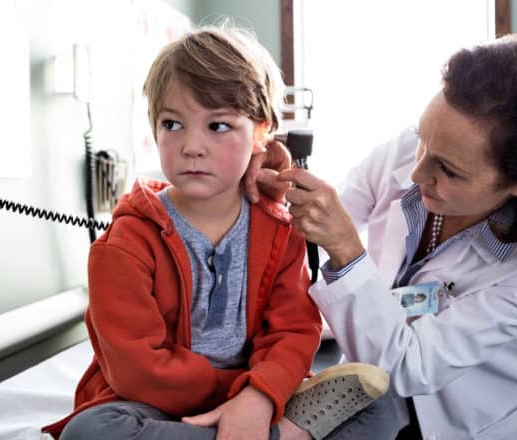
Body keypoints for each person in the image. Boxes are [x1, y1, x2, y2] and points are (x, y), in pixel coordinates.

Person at [251, 33, 517, 439]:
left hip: (474, 421)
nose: (416, 172)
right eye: (424, 140)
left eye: (449, 170)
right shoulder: (407, 153)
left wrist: (345, 249)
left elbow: (410, 366)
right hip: (380, 409)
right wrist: (280, 189)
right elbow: (305, 225)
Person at [42, 24, 390, 440]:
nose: (192, 146)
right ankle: (281, 436)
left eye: (217, 126)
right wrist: (242, 397)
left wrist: (259, 395)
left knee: (386, 408)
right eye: (173, 124)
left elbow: (293, 332)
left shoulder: (280, 232)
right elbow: (136, 370)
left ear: (261, 133)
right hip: (157, 405)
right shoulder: (126, 243)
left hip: (257, 393)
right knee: (91, 431)